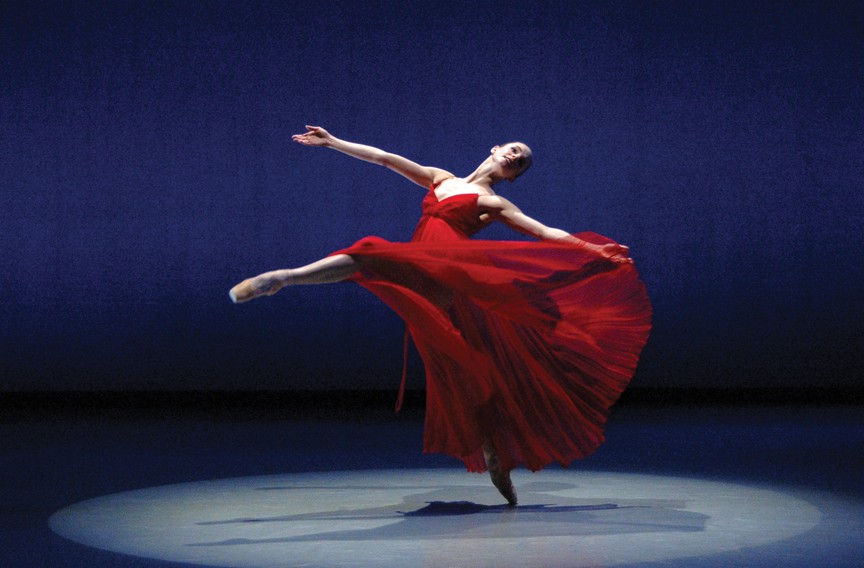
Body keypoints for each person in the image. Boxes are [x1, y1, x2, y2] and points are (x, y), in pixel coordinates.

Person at [230, 126, 652, 506]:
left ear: (513, 176)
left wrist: (593, 250)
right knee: (462, 368)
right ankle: (493, 452)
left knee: (370, 251)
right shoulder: (440, 178)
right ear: (496, 148)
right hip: (418, 268)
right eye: (514, 150)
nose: (515, 157)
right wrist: (333, 143)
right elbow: (384, 158)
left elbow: (544, 232)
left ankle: (282, 278)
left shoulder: (492, 201)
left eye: (521, 162)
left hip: (444, 275)